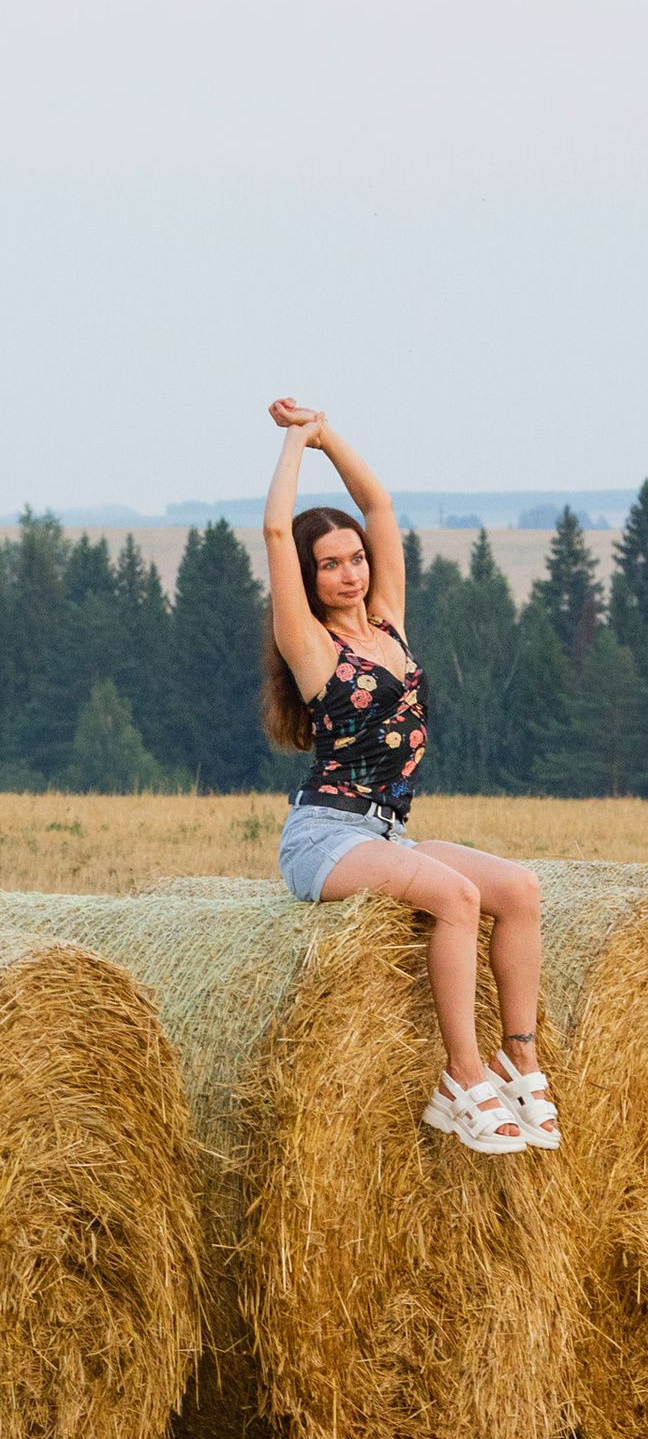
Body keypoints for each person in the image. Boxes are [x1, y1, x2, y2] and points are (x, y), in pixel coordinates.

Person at [260, 397, 558, 1156]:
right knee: (455, 898)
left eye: (354, 557)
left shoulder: (388, 619)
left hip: (388, 831)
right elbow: (271, 529)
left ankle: (518, 1059)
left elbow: (379, 504)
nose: (349, 572)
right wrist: (296, 445)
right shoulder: (312, 646)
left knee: (518, 890)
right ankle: (461, 1078)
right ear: (308, 577)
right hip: (326, 837)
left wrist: (329, 434)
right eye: (329, 564)